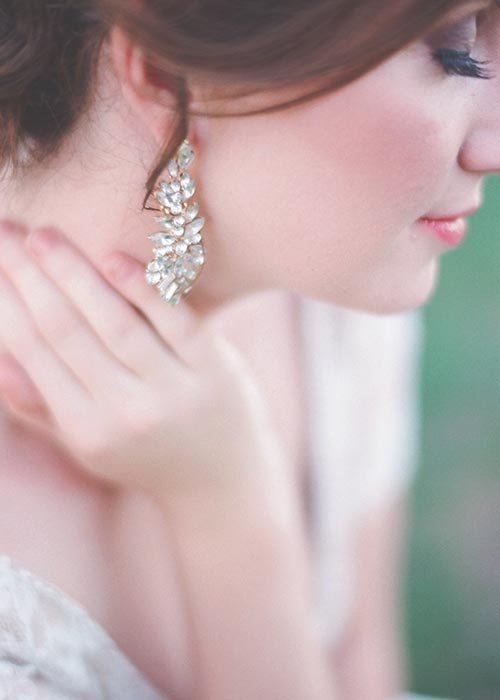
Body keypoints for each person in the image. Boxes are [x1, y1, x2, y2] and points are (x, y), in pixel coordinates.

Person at [0, 0, 498, 698]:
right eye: (456, 52)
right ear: (165, 77)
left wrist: (229, 505)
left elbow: (365, 680)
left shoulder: (329, 296)